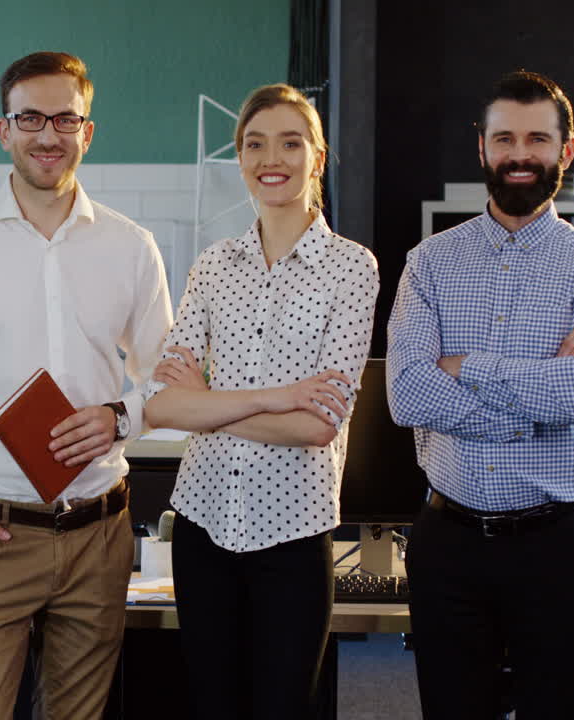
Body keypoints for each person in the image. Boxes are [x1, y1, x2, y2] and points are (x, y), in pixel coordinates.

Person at [0, 51, 173, 719]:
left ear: (88, 131)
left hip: (97, 534)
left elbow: (169, 376)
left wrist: (122, 416)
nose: (48, 135)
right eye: (31, 118)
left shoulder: (131, 246)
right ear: (4, 130)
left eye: (65, 119)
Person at [386, 70, 574, 719]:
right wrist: (535, 394)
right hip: (448, 542)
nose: (521, 154)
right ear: (483, 148)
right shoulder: (429, 263)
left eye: (538, 139)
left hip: (557, 545)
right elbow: (408, 395)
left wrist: (465, 366)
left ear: (565, 151)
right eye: (505, 138)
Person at [143, 83, 379, 719]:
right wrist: (273, 399)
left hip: (294, 534)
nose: (270, 157)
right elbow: (161, 405)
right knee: (211, 706)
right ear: (240, 158)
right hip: (202, 524)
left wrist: (210, 401)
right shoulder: (214, 265)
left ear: (317, 158)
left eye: (290, 142)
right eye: (254, 143)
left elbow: (316, 425)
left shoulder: (353, 268)